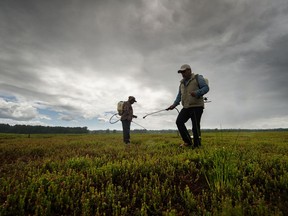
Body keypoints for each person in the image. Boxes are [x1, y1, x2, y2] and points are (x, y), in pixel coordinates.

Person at [167, 64, 209, 148]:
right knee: (179, 121)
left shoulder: (198, 78)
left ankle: (197, 145)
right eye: (181, 72)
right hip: (186, 107)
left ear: (189, 70)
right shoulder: (182, 83)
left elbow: (206, 88)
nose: (182, 74)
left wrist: (197, 93)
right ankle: (188, 142)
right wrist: (174, 104)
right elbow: (179, 95)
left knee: (195, 126)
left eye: (184, 71)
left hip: (197, 106)